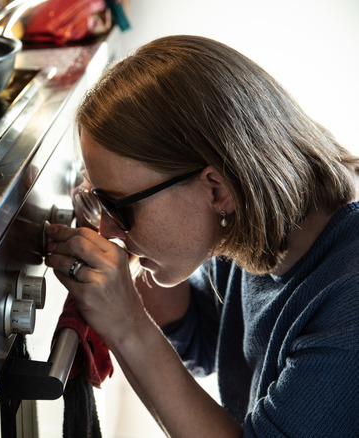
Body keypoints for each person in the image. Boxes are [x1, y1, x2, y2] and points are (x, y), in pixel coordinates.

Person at [44, 34, 359, 437]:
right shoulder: (256, 221)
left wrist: (125, 322)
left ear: (216, 188)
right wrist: (125, 246)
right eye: (102, 203)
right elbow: (205, 339)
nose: (107, 228)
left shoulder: (348, 303)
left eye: (121, 208)